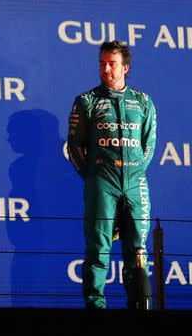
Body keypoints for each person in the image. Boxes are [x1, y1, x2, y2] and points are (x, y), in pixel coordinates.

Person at [66, 40, 157, 308]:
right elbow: (74, 148)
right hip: (101, 184)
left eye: (112, 64)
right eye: (102, 64)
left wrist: (134, 174)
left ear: (125, 68)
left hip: (136, 183)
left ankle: (141, 306)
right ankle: (96, 310)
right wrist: (95, 178)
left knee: (138, 251)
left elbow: (148, 147)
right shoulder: (86, 101)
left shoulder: (143, 102)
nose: (106, 69)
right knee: (97, 250)